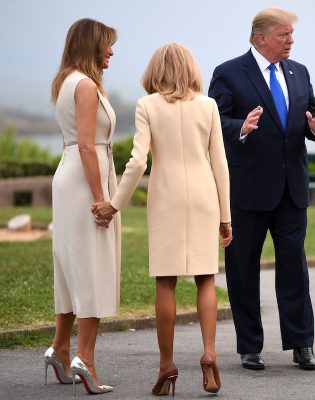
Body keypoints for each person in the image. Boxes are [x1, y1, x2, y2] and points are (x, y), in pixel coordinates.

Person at [92, 43, 231, 395]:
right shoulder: (208, 105)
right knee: (205, 279)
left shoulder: (147, 105)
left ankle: (167, 364)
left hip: (166, 197)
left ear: (156, 70)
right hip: (203, 197)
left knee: (166, 281)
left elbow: (138, 162)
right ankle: (209, 354)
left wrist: (115, 204)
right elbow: (220, 164)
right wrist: (226, 217)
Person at [208, 7, 315, 370]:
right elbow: (214, 123)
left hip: (292, 190)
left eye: (291, 35)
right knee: (243, 269)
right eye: (285, 34)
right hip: (246, 190)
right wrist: (241, 127)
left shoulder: (299, 72)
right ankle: (249, 346)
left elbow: (308, 116)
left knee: (295, 267)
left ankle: (301, 344)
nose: (291, 40)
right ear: (262, 38)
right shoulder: (229, 73)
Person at [46, 18, 119, 394]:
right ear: (91, 45)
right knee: (91, 268)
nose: (111, 51)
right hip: (86, 179)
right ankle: (85, 359)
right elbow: (89, 146)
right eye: (107, 45)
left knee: (71, 268)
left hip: (67, 174)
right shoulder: (87, 85)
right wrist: (101, 198)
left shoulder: (65, 81)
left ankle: (60, 349)